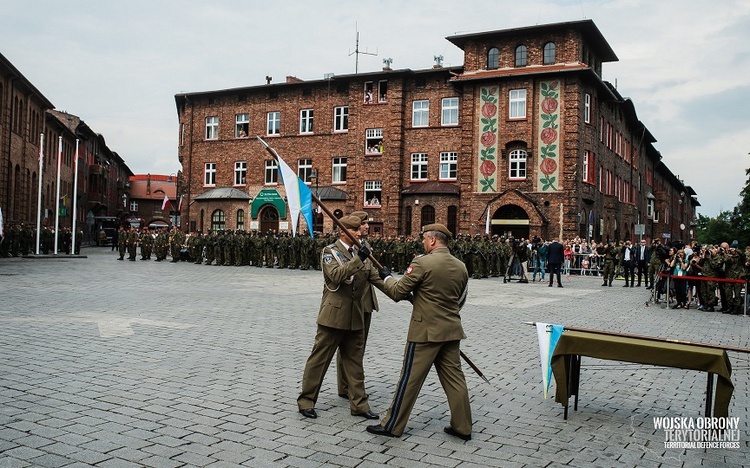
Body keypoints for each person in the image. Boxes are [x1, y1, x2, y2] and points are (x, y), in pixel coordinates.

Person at [367, 223, 472, 441]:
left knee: (410, 379)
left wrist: (385, 276)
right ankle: (463, 427)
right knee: (455, 380)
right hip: (451, 330)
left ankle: (392, 425)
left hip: (425, 332)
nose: (422, 243)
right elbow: (459, 300)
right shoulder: (460, 266)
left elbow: (397, 292)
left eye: (424, 239)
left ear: (433, 240)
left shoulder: (422, 263)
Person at [297, 216, 386, 421]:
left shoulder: (362, 252)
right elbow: (337, 275)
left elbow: (376, 278)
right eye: (355, 229)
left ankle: (359, 405)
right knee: (320, 359)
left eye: (359, 229)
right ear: (343, 231)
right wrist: (358, 259)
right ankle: (306, 401)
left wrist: (400, 290)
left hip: (355, 315)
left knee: (355, 363)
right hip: (334, 316)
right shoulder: (330, 252)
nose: (359, 232)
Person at [336, 211, 378, 399]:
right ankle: (346, 387)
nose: (366, 227)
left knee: (359, 346)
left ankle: (353, 385)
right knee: (347, 346)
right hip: (353, 299)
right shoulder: (346, 247)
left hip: (366, 299)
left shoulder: (365, 245)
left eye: (367, 223)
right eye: (363, 224)